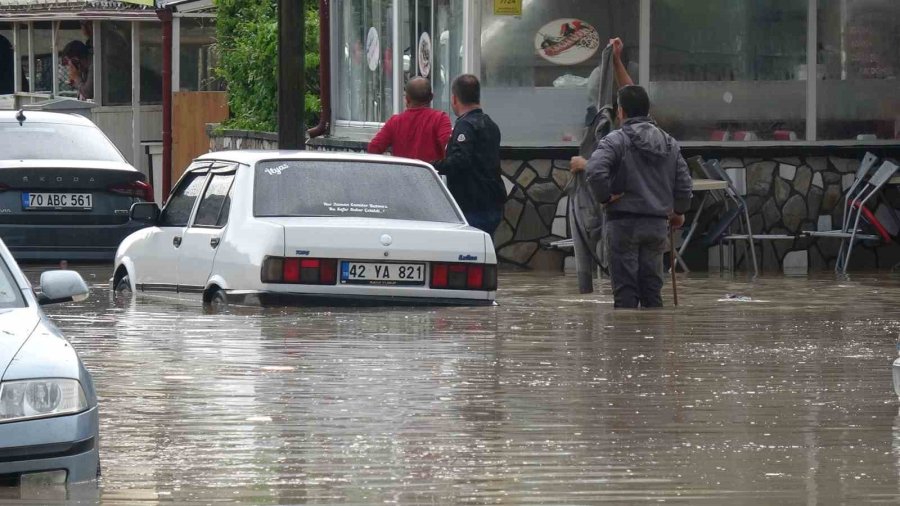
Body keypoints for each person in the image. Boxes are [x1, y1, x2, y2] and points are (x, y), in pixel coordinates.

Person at [570, 85, 692, 309]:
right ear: (647, 110)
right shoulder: (669, 143)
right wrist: (680, 212)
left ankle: (626, 339)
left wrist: (605, 198)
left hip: (623, 224)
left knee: (625, 294)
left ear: (621, 112)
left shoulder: (616, 140)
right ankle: (653, 340)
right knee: (652, 291)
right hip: (656, 225)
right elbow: (684, 184)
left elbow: (596, 171)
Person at [432, 74, 504, 234]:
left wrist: (431, 166)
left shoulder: (466, 126)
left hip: (472, 204)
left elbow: (459, 161)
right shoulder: (490, 124)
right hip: (492, 201)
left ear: (454, 99)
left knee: (470, 253)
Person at [367, 77, 452, 162]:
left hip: (402, 174)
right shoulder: (441, 119)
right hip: (429, 174)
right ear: (431, 97)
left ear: (407, 99)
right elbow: (449, 148)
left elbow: (373, 148)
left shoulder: (395, 122)